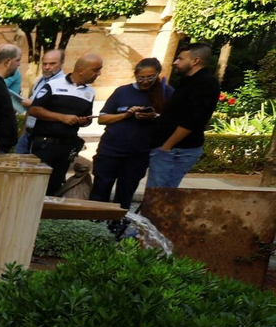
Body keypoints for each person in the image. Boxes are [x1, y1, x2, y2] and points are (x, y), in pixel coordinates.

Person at [93, 57, 171, 211]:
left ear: (158, 74)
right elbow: (102, 118)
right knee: (100, 190)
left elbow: (172, 122)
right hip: (110, 150)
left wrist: (154, 116)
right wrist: (126, 115)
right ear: (135, 75)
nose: (145, 81)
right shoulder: (122, 92)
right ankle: (93, 224)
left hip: (138, 154)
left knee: (125, 193)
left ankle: (116, 226)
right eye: (141, 77)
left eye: (150, 77)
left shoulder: (166, 93)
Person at [27, 52, 102, 195]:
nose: (98, 74)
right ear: (81, 70)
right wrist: (61, 117)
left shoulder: (89, 93)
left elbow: (86, 118)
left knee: (55, 186)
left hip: (66, 148)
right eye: (95, 70)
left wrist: (85, 121)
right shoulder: (54, 85)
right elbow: (34, 110)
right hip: (45, 145)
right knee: (36, 186)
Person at [148, 43, 220, 190]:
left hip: (176, 151)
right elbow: (178, 114)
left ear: (195, 61)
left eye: (180, 59)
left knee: (158, 198)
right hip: (172, 149)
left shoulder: (204, 83)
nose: (175, 62)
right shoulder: (189, 81)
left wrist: (166, 147)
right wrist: (156, 117)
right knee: (157, 196)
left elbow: (192, 120)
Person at [14, 47, 64, 154]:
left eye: (52, 64)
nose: (47, 67)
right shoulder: (40, 80)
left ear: (61, 63)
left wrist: (33, 104)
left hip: (44, 138)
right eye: (44, 64)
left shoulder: (64, 84)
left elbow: (59, 110)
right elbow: (30, 111)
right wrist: (23, 132)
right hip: (28, 134)